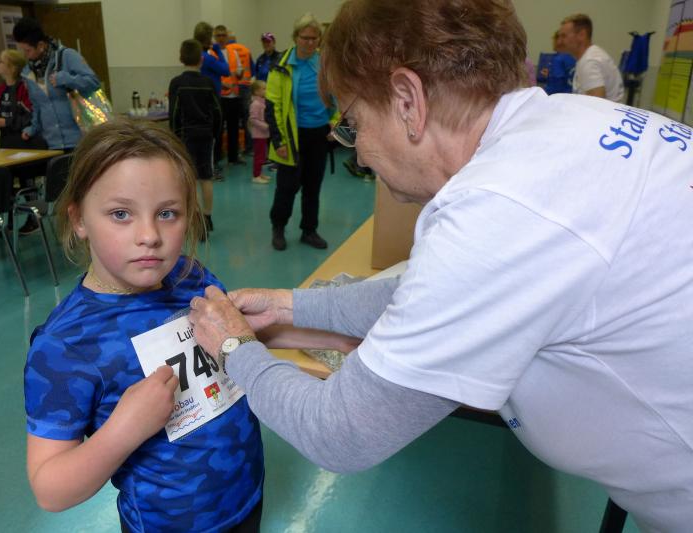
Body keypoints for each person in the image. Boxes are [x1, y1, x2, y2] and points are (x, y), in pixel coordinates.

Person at [188, 1, 693, 531]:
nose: (359, 155)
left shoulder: (497, 212)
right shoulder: (567, 122)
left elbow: (339, 432)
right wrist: (291, 305)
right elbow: (424, 293)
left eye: (354, 123)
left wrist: (234, 349)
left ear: (408, 100)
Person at [23, 120, 264, 532]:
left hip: (247, 495)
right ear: (79, 219)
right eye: (121, 214)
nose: (150, 236)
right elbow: (51, 490)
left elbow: (237, 345)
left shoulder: (191, 277)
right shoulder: (64, 345)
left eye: (167, 213)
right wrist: (123, 430)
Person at [266, 13, 338, 251]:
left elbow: (339, 96)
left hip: (319, 134)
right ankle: (278, 227)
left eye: (314, 38)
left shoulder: (325, 64)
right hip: (291, 136)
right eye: (305, 38)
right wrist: (279, 141)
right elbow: (273, 106)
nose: (310, 42)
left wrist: (335, 123)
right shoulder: (281, 65)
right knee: (287, 187)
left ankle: (309, 230)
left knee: (313, 186)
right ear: (295, 37)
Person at [13, 17, 101, 152]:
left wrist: (66, 79)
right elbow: (37, 106)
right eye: (22, 51)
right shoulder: (28, 72)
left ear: (41, 45)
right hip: (52, 144)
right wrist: (33, 128)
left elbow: (93, 82)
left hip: (80, 139)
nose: (25, 55)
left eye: (28, 50)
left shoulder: (67, 56)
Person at [0, 48, 48, 234]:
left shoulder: (25, 88)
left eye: (0, 61)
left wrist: (7, 122)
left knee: (26, 179)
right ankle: (7, 223)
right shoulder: (1, 90)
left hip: (25, 142)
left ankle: (33, 218)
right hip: (7, 142)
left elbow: (31, 115)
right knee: (4, 181)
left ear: (12, 67)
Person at [168, 39, 222, 239]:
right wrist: (215, 134)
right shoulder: (208, 83)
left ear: (181, 58)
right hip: (206, 135)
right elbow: (218, 112)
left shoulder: (177, 83)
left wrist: (175, 137)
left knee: (190, 180)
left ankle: (197, 219)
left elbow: (174, 113)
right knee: (206, 177)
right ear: (201, 59)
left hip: (185, 137)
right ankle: (208, 217)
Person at [557, 13, 624, 102]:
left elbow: (596, 105)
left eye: (564, 36)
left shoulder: (589, 62)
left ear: (581, 35)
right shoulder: (590, 56)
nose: (559, 41)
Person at [193, 21, 229, 180]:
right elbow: (226, 70)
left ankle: (204, 167)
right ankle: (211, 169)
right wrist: (218, 51)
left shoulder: (196, 57)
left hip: (199, 101)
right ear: (207, 39)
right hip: (212, 101)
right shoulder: (207, 58)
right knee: (214, 136)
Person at [214, 25, 247, 167]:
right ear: (215, 37)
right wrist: (222, 84)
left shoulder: (233, 52)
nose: (221, 38)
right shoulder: (211, 53)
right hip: (220, 97)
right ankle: (216, 158)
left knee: (234, 128)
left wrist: (240, 73)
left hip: (234, 95)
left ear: (227, 37)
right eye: (218, 35)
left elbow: (238, 72)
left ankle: (233, 157)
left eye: (223, 35)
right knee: (218, 129)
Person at [248, 80, 271, 184]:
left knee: (262, 155)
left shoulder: (262, 102)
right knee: (259, 155)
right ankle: (256, 175)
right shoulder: (255, 104)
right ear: (256, 91)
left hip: (263, 134)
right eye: (264, 89)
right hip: (258, 134)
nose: (266, 90)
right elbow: (253, 119)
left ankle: (259, 173)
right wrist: (265, 126)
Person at [541, 31, 576, 95]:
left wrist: (541, 92)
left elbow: (555, 87)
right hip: (572, 95)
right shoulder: (574, 57)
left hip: (559, 97)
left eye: (553, 40)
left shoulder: (558, 59)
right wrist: (550, 75)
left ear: (558, 41)